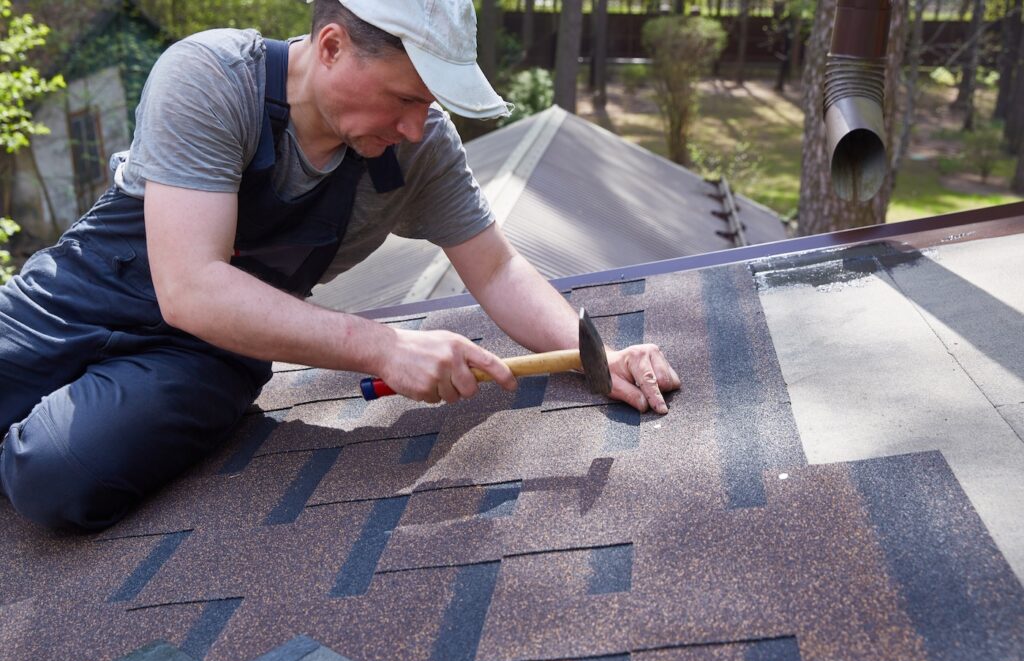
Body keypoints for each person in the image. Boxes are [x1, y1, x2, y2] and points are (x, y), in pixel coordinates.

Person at [0, 0, 680, 531]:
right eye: (405, 98)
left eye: (429, 104)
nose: (415, 125)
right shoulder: (210, 78)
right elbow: (191, 285)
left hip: (203, 359)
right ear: (331, 47)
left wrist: (594, 355)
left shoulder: (420, 149)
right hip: (78, 299)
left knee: (58, 475)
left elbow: (498, 270)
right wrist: (384, 347)